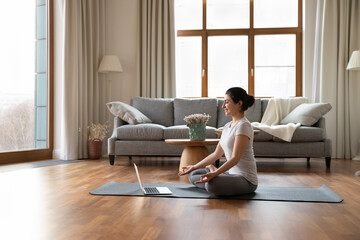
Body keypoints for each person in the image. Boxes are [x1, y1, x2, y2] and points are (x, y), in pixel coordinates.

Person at [178, 87, 258, 196]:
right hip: (230, 174)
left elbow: (235, 158)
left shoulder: (243, 126)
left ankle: (214, 172)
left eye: (227, 102)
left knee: (212, 185)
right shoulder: (226, 127)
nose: (223, 106)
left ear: (239, 103)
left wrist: (215, 173)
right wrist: (194, 166)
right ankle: (216, 174)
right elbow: (216, 154)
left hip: (245, 180)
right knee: (193, 174)